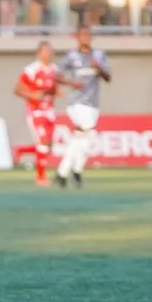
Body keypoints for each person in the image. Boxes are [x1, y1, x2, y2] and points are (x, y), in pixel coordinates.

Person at [55, 26, 111, 188]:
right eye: (82, 35)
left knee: (82, 138)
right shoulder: (71, 56)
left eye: (88, 35)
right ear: (77, 37)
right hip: (77, 102)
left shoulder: (99, 56)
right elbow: (57, 75)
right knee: (90, 134)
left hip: (93, 103)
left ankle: (66, 173)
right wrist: (70, 83)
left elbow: (108, 77)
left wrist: (98, 68)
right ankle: (72, 172)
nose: (85, 38)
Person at [14, 41, 58, 187]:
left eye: (50, 51)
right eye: (45, 51)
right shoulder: (31, 70)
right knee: (43, 142)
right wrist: (33, 95)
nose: (48, 54)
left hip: (49, 111)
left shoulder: (53, 70)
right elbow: (17, 89)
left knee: (48, 146)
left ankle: (22, 150)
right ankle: (40, 177)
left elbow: (53, 88)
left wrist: (56, 92)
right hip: (35, 111)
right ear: (39, 53)